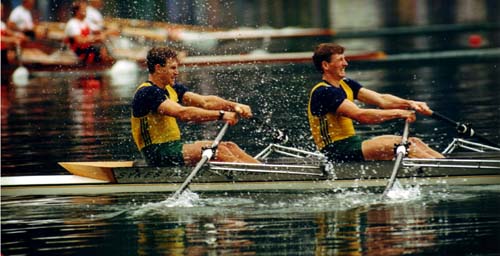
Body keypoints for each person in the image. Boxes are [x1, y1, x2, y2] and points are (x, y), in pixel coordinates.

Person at [307, 43, 444, 161]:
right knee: (402, 145)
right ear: (325, 65)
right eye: (340, 60)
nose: (345, 63)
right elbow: (361, 115)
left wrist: (411, 103)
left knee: (415, 142)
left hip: (352, 143)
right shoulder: (324, 91)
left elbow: (381, 99)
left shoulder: (346, 84)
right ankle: (445, 172)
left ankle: (448, 166)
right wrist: (400, 113)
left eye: (344, 59)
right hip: (336, 150)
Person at [131, 47, 260, 166]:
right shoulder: (147, 92)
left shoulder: (172, 88)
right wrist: (222, 115)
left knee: (229, 146)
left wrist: (234, 105)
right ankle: (256, 179)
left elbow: (206, 102)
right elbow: (183, 113)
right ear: (158, 68)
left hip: (174, 147)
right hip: (158, 153)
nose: (177, 72)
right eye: (173, 68)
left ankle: (265, 172)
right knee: (218, 150)